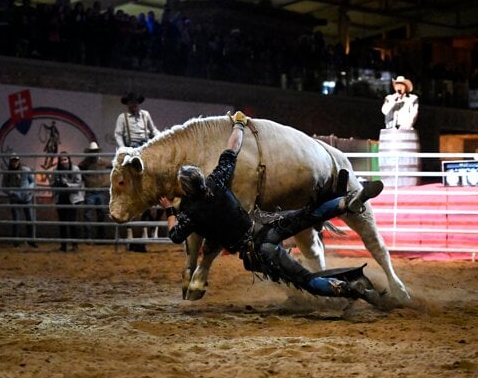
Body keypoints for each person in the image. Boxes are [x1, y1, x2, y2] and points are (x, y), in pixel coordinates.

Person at [159, 111, 385, 304]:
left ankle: (347, 289)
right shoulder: (216, 181)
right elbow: (231, 150)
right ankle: (345, 203)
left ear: (186, 189)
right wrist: (239, 123)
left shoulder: (192, 212)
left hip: (258, 250)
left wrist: (169, 209)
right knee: (307, 214)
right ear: (201, 178)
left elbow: (176, 235)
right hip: (265, 227)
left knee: (305, 280)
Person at [114, 92, 160, 252]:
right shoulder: (122, 118)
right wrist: (124, 150)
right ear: (127, 104)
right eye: (130, 102)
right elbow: (118, 135)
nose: (133, 105)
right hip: (131, 150)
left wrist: (161, 140)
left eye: (135, 102)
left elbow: (153, 131)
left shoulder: (145, 115)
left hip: (145, 149)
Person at [1, 153, 37, 248]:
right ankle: (16, 241)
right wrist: (10, 192)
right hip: (15, 198)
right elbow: (3, 186)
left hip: (26, 197)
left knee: (30, 219)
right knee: (16, 219)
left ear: (19, 160)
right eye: (13, 161)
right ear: (10, 161)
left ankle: (31, 240)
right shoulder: (7, 173)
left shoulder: (25, 170)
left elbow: (33, 181)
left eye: (16, 160)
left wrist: (28, 190)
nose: (14, 162)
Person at [50, 152, 84, 252]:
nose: (64, 161)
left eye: (65, 159)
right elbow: (51, 183)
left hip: (72, 199)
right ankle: (63, 245)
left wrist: (67, 184)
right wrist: (57, 183)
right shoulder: (55, 170)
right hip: (61, 198)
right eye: (62, 160)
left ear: (69, 159)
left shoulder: (75, 169)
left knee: (72, 222)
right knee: (62, 223)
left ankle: (74, 245)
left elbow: (78, 185)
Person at [78, 141, 111, 240]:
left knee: (100, 214)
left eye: (95, 151)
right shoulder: (85, 163)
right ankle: (89, 236)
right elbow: (78, 170)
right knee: (89, 214)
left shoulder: (103, 162)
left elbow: (114, 165)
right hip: (91, 191)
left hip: (99, 191)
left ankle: (98, 236)